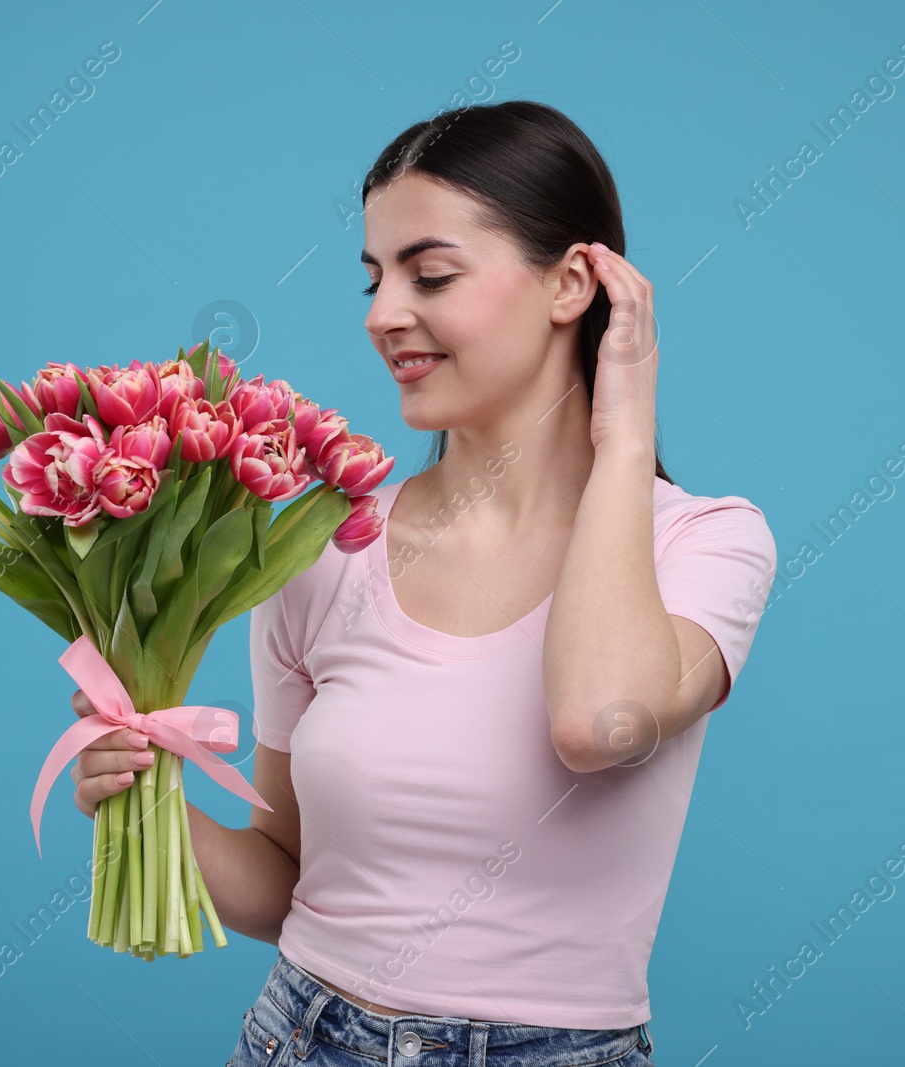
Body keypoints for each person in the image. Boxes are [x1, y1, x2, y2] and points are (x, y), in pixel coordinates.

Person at [68, 99, 777, 1067]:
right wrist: (147, 796)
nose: (381, 315)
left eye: (429, 274)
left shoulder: (705, 542)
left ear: (572, 281)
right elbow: (285, 882)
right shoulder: (323, 545)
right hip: (299, 1036)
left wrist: (624, 437)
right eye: (372, 279)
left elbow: (595, 719)